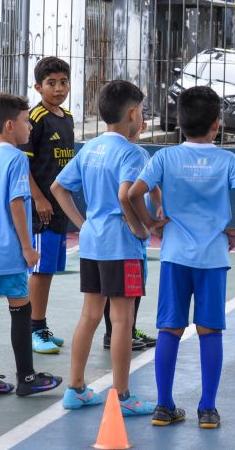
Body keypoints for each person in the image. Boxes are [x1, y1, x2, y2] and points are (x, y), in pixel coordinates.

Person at [128, 86, 235, 429]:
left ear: (179, 122)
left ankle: (163, 406)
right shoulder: (228, 160)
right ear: (216, 125)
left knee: (169, 329)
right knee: (210, 330)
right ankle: (207, 410)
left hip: (175, 255)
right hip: (213, 257)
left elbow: (133, 193)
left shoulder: (164, 158)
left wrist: (151, 224)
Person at [51, 80, 156, 416]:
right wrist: (141, 226)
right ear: (132, 113)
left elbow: (58, 187)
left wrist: (83, 224)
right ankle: (123, 396)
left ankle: (76, 388)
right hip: (121, 246)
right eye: (141, 110)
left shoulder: (92, 149)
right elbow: (128, 194)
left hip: (93, 242)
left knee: (91, 314)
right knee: (122, 319)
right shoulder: (132, 152)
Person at [0, 93, 62, 397]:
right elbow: (17, 205)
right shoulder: (17, 159)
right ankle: (27, 377)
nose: (30, 127)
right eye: (26, 121)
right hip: (7, 246)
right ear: (10, 125)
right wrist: (26, 246)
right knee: (21, 308)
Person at [19, 56, 74, 354]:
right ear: (38, 86)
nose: (58, 88)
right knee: (39, 270)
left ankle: (40, 325)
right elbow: (23, 165)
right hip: (42, 210)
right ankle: (33, 329)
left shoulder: (67, 118)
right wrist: (39, 197)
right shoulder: (35, 118)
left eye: (63, 82)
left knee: (49, 269)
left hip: (59, 208)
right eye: (51, 83)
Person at [103, 118, 161, 351]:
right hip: (123, 235)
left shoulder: (141, 155)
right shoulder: (123, 154)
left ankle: (129, 329)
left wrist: (160, 205)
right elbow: (124, 195)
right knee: (119, 290)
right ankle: (114, 334)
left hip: (132, 238)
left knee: (135, 287)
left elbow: (153, 185)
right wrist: (138, 225)